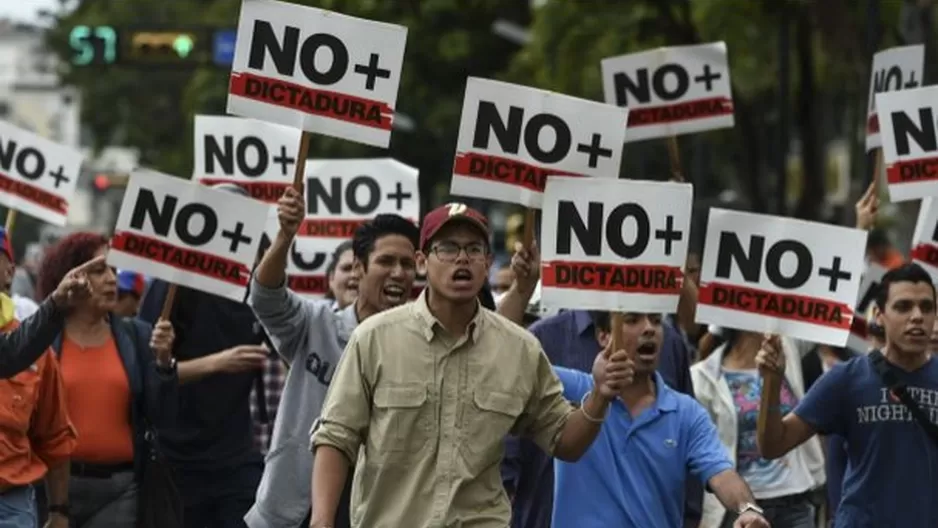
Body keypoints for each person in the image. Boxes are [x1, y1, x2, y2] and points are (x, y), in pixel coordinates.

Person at [309, 203, 629, 528]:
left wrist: (599, 395)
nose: (462, 259)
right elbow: (337, 436)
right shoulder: (374, 339)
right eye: (447, 248)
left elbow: (565, 441)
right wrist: (321, 521)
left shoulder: (520, 349)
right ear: (423, 261)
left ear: (488, 262)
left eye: (474, 249)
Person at [246, 184, 420, 528]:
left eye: (407, 263)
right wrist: (284, 236)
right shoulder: (317, 324)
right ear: (358, 268)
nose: (398, 272)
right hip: (294, 507)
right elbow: (265, 297)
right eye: (386, 261)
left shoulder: (422, 343)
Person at [498, 245, 702, 528]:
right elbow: (500, 370)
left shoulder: (668, 344)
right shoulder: (544, 338)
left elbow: (688, 443)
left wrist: (691, 516)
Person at [757, 263, 938, 527]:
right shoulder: (847, 378)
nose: (917, 316)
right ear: (879, 315)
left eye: (927, 307)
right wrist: (772, 382)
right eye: (903, 307)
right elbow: (773, 445)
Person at [551, 311, 769, 528]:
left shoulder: (686, 413)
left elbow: (722, 474)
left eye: (656, 321)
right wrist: (521, 292)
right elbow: (517, 363)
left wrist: (748, 509)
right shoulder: (570, 389)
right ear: (603, 337)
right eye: (632, 320)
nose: (649, 329)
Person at [137, 182, 270, 528]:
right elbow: (146, 375)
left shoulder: (260, 293)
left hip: (237, 456)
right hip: (177, 457)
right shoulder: (173, 288)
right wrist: (219, 363)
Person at [36, 232, 178, 527]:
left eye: (113, 269)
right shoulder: (42, 338)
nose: (112, 279)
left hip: (121, 490)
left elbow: (159, 413)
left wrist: (164, 363)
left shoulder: (136, 335)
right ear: (70, 277)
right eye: (100, 270)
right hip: (51, 492)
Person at [691, 329, 825, 528]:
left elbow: (830, 316)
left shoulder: (787, 350)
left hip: (794, 503)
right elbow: (705, 452)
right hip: (739, 510)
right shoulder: (702, 376)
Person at [0, 281, 76, 528]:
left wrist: (58, 511)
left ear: (9, 272)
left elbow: (54, 435)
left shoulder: (35, 351)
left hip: (11, 506)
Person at [0, 255, 101, 379]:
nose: (111, 279)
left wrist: (56, 305)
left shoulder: (27, 314)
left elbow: (11, 351)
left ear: (10, 272)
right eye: (100, 271)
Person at [324, 240, 357, 310]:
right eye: (347, 268)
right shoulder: (313, 317)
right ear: (331, 278)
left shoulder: (385, 320)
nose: (354, 275)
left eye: (360, 269)